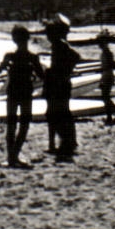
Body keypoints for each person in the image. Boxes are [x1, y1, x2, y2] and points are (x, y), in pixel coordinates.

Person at [0, 25, 44, 168]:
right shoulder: (33, 57)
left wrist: (4, 67)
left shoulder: (10, 56)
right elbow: (42, 76)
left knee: (12, 125)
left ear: (13, 39)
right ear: (28, 38)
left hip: (13, 93)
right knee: (24, 124)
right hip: (25, 93)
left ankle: (11, 157)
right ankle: (14, 155)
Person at [43, 18, 83, 161]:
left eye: (49, 33)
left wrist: (63, 71)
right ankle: (65, 142)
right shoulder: (58, 45)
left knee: (58, 113)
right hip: (59, 82)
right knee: (61, 112)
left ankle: (66, 142)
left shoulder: (59, 45)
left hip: (59, 83)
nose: (47, 36)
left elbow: (76, 57)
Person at [98, 38, 115, 125]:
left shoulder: (107, 53)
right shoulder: (104, 53)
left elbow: (109, 65)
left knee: (105, 97)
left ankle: (110, 116)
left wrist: (103, 77)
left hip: (108, 75)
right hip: (106, 74)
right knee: (105, 97)